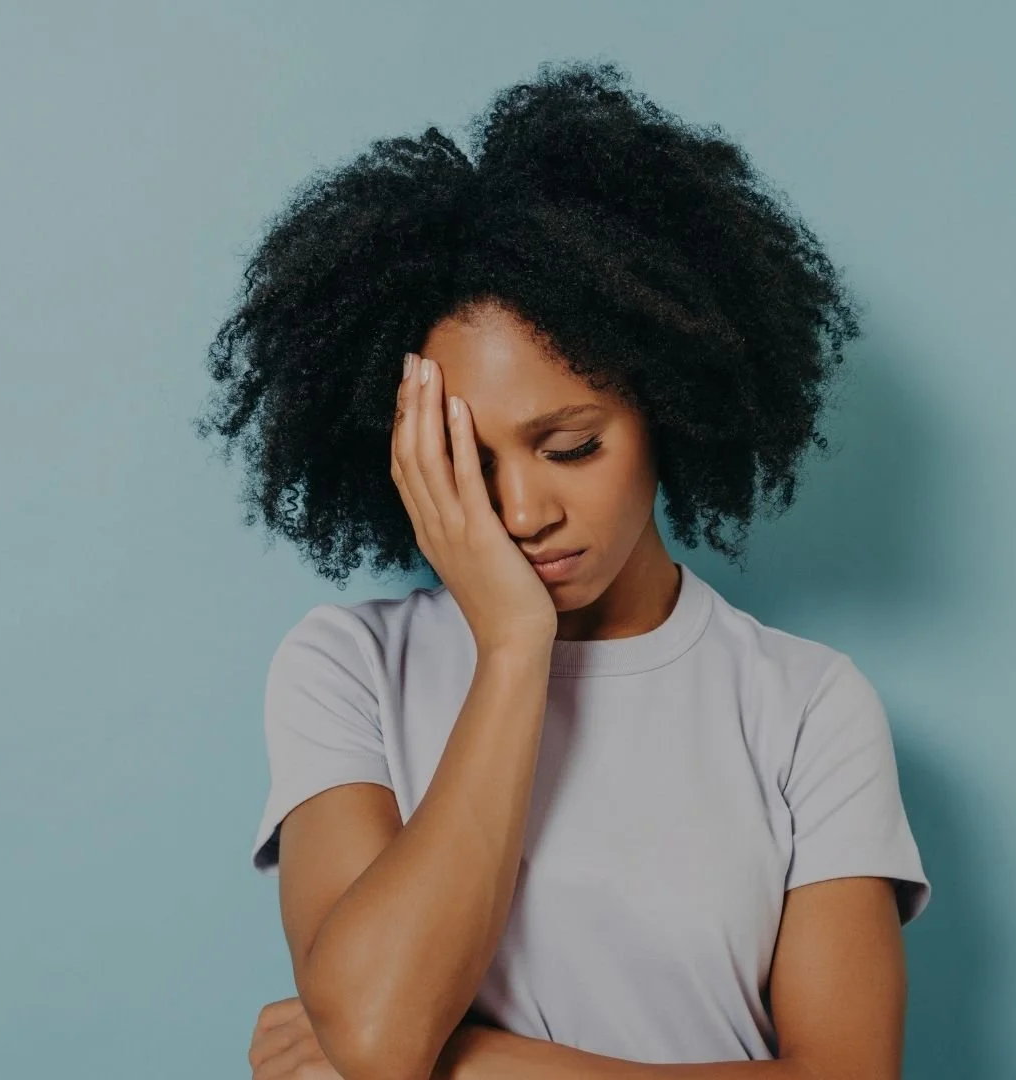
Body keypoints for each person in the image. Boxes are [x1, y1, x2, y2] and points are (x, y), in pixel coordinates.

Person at [196, 58, 931, 1078]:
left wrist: (480, 1067)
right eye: (467, 462)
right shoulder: (349, 669)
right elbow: (376, 1030)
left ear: (666, 406)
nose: (525, 513)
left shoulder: (805, 707)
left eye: (571, 446)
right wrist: (512, 646)